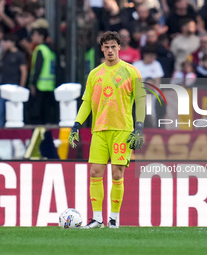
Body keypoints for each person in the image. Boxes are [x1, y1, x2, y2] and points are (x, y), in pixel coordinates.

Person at [68, 31, 146, 229]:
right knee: (95, 172)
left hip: (122, 129)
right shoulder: (95, 74)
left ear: (119, 47)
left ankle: (113, 219)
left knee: (117, 174)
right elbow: (86, 102)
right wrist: (76, 124)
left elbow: (141, 100)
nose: (110, 50)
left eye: (113, 47)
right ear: (102, 48)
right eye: (106, 47)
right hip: (100, 130)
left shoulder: (131, 71)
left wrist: (139, 127)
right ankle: (97, 219)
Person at [0, 33, 27, 128]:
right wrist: (2, 51)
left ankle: (11, 131)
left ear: (13, 43)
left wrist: (21, 87)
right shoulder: (5, 54)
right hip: (3, 86)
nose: (5, 43)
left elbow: (24, 71)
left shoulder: (19, 55)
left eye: (7, 41)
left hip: (14, 86)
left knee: (13, 112)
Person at [28, 28, 57, 124]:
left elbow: (37, 68)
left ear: (41, 36)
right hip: (50, 85)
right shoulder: (50, 50)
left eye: (34, 35)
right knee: (47, 113)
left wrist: (33, 83)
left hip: (40, 84)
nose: (32, 37)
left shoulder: (40, 49)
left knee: (37, 113)